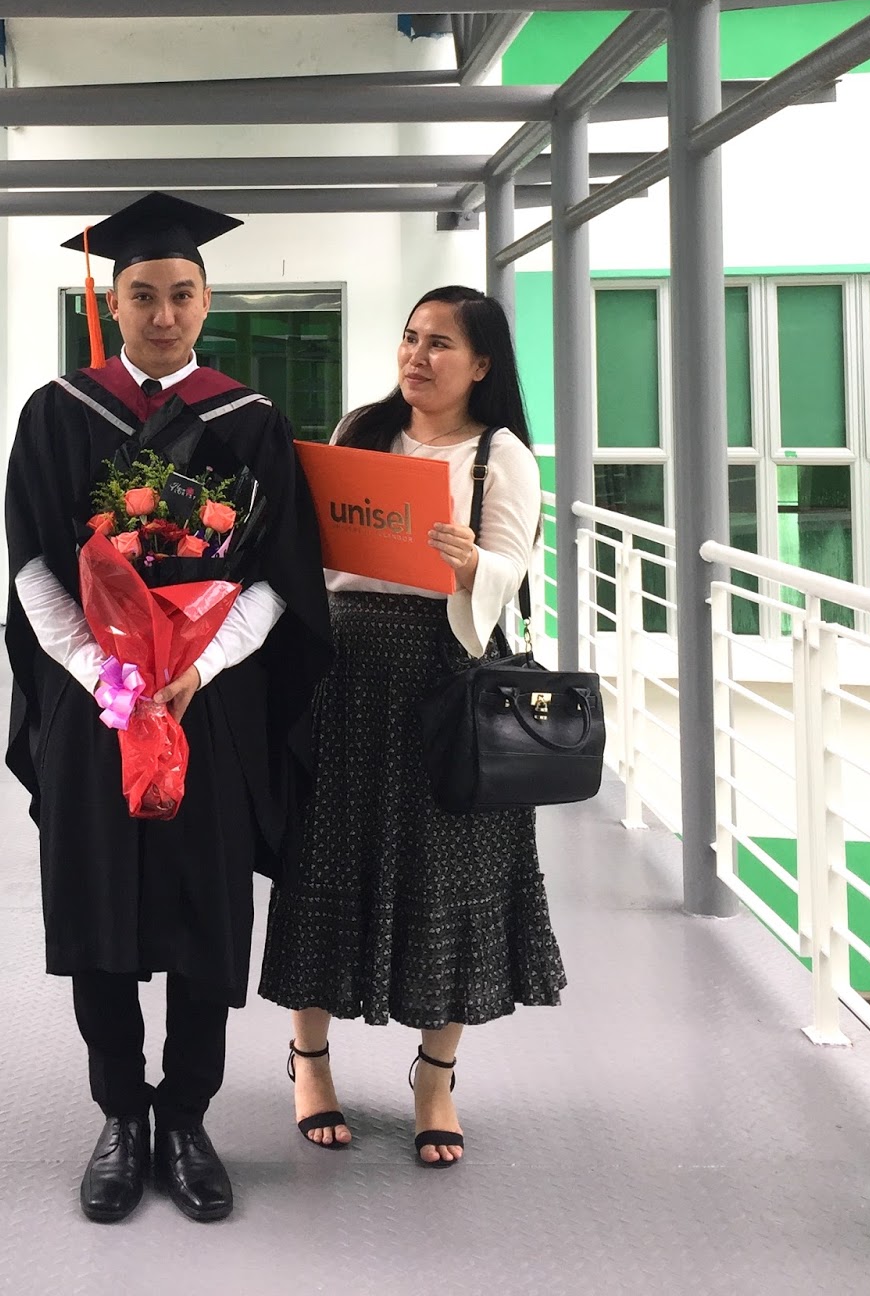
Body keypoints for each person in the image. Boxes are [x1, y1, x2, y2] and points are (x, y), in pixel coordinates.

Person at [4, 192, 331, 1224]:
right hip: (96, 708)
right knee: (95, 901)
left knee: (204, 909)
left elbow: (278, 575)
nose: (162, 313)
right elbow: (31, 564)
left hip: (208, 707)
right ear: (112, 302)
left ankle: (185, 1118)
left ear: (206, 301)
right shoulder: (58, 411)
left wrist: (202, 664)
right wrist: (101, 667)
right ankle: (120, 1117)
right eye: (142, 294)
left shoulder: (250, 421)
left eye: (181, 294)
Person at [258, 284, 565, 1166]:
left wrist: (474, 566)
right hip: (347, 670)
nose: (417, 357)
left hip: (448, 675)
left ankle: (436, 1077)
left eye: (440, 344)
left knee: (451, 871)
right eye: (410, 337)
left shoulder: (500, 455)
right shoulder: (362, 430)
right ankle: (309, 1061)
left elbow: (513, 568)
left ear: (482, 364)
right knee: (323, 858)